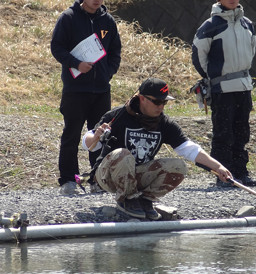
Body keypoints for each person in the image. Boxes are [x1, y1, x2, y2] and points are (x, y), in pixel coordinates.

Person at [81, 77, 233, 220]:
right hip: (107, 176)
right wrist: (96, 137)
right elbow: (89, 145)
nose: (161, 107)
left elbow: (189, 149)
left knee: (178, 166)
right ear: (142, 98)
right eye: (157, 102)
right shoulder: (117, 115)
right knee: (124, 154)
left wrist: (218, 167)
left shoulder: (164, 122)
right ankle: (127, 199)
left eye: (164, 103)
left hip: (136, 175)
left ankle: (144, 200)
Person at [51, 0, 122, 195]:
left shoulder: (108, 21)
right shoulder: (68, 17)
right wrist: (76, 64)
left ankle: (97, 179)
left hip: (101, 90)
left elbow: (115, 52)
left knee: (101, 134)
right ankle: (68, 180)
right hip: (75, 89)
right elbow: (57, 47)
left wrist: (107, 73)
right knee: (71, 134)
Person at [191, 0, 256, 187]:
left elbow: (252, 50)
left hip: (244, 86)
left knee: (242, 132)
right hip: (221, 88)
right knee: (223, 133)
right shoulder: (210, 26)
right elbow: (198, 55)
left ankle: (241, 173)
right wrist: (212, 77)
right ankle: (224, 177)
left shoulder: (247, 23)